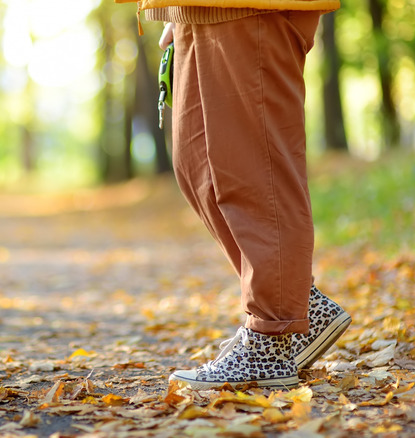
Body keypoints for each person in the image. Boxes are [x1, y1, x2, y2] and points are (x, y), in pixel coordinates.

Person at [116, 0, 352, 389]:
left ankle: (270, 342)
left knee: (255, 174)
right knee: (198, 168)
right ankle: (300, 305)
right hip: (194, 9)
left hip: (250, 8)